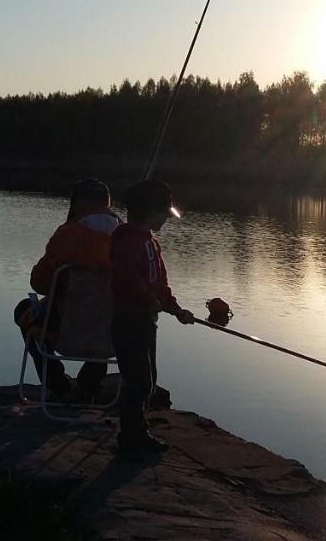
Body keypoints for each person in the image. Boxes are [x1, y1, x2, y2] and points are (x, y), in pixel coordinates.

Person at [110, 179, 195, 460]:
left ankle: (138, 430)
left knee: (149, 378)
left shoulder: (151, 243)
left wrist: (176, 309)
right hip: (128, 321)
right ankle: (130, 437)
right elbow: (127, 277)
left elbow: (160, 285)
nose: (167, 221)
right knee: (139, 381)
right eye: (164, 215)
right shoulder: (126, 241)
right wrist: (149, 300)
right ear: (150, 211)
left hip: (146, 323)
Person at [15, 178, 120, 402]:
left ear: (78, 205)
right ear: (108, 204)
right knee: (107, 318)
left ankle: (58, 385)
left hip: (65, 327)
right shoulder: (127, 237)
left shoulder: (68, 235)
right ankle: (88, 386)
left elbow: (39, 282)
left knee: (24, 310)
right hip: (113, 331)